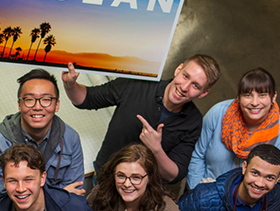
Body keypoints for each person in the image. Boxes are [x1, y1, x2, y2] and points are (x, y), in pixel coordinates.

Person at [62, 55, 220, 184]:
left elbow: (175, 174)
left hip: (141, 195)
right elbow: (87, 99)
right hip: (106, 177)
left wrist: (156, 149)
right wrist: (70, 85)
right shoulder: (139, 83)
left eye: (195, 86)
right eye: (185, 76)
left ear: (203, 93)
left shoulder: (193, 122)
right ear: (178, 69)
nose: (184, 87)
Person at [187, 67, 280, 189]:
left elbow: (272, 182)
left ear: (273, 97)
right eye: (248, 95)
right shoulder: (218, 113)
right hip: (202, 190)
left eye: (262, 95)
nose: (255, 102)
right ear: (238, 97)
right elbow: (197, 155)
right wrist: (196, 195)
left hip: (245, 203)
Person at [0, 69, 85, 195]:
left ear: (57, 105)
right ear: (19, 104)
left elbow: (75, 192)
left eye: (46, 99)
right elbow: (6, 196)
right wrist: (60, 194)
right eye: (29, 99)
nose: (37, 107)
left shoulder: (70, 137)